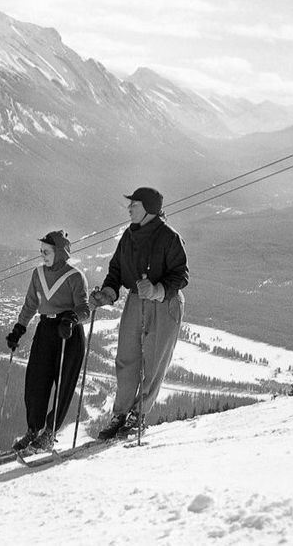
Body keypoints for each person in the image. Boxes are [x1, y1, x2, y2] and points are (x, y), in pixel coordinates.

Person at [89, 187, 188, 440]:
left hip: (165, 304)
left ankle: (138, 414)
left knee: (154, 362)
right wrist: (108, 294)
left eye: (134, 204)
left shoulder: (169, 237)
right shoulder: (128, 236)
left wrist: (157, 289)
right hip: (136, 299)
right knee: (126, 358)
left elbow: (180, 275)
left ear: (149, 209)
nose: (129, 208)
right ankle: (120, 414)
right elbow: (116, 270)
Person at [5, 230, 90, 453]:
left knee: (63, 384)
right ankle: (33, 429)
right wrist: (19, 328)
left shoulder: (75, 276)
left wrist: (72, 318)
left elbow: (84, 308)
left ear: (59, 252)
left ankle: (50, 434)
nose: (42, 255)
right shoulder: (38, 274)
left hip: (68, 334)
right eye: (41, 251)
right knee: (35, 382)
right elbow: (31, 304)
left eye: (46, 251)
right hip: (45, 330)